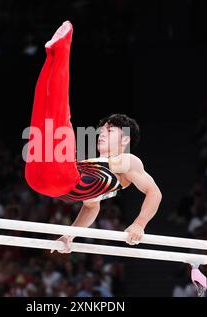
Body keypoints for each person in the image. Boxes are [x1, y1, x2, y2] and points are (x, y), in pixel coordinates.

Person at [24, 21, 162, 252]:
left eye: (110, 130)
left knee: (59, 115)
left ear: (125, 139)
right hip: (42, 178)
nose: (101, 133)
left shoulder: (127, 161)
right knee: (44, 110)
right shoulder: (94, 165)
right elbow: (91, 207)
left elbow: (154, 192)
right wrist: (70, 236)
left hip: (56, 179)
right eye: (102, 129)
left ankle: (61, 49)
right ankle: (52, 54)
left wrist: (139, 224)